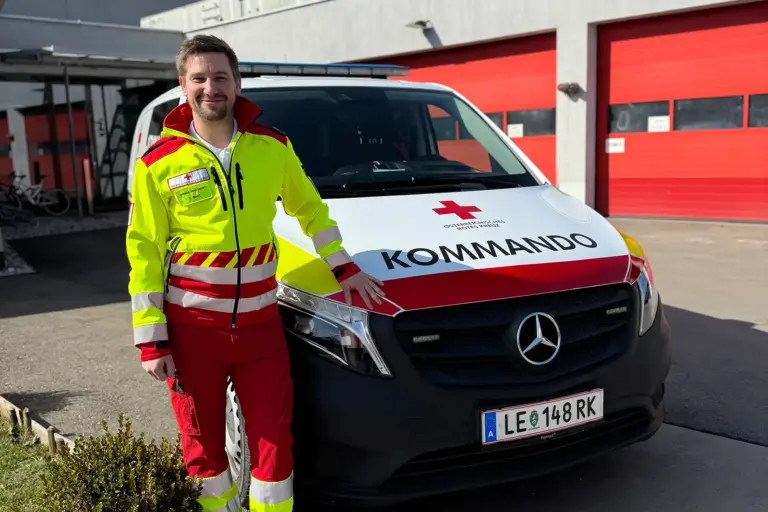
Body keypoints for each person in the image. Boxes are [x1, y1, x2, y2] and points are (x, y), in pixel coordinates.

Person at [126, 34, 385, 512]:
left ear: (237, 82)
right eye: (199, 78)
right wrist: (151, 339)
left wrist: (343, 267)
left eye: (220, 77)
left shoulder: (273, 147)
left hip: (261, 329)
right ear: (183, 86)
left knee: (273, 444)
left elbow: (310, 210)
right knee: (202, 447)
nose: (211, 88)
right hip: (191, 332)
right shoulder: (156, 164)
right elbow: (143, 252)